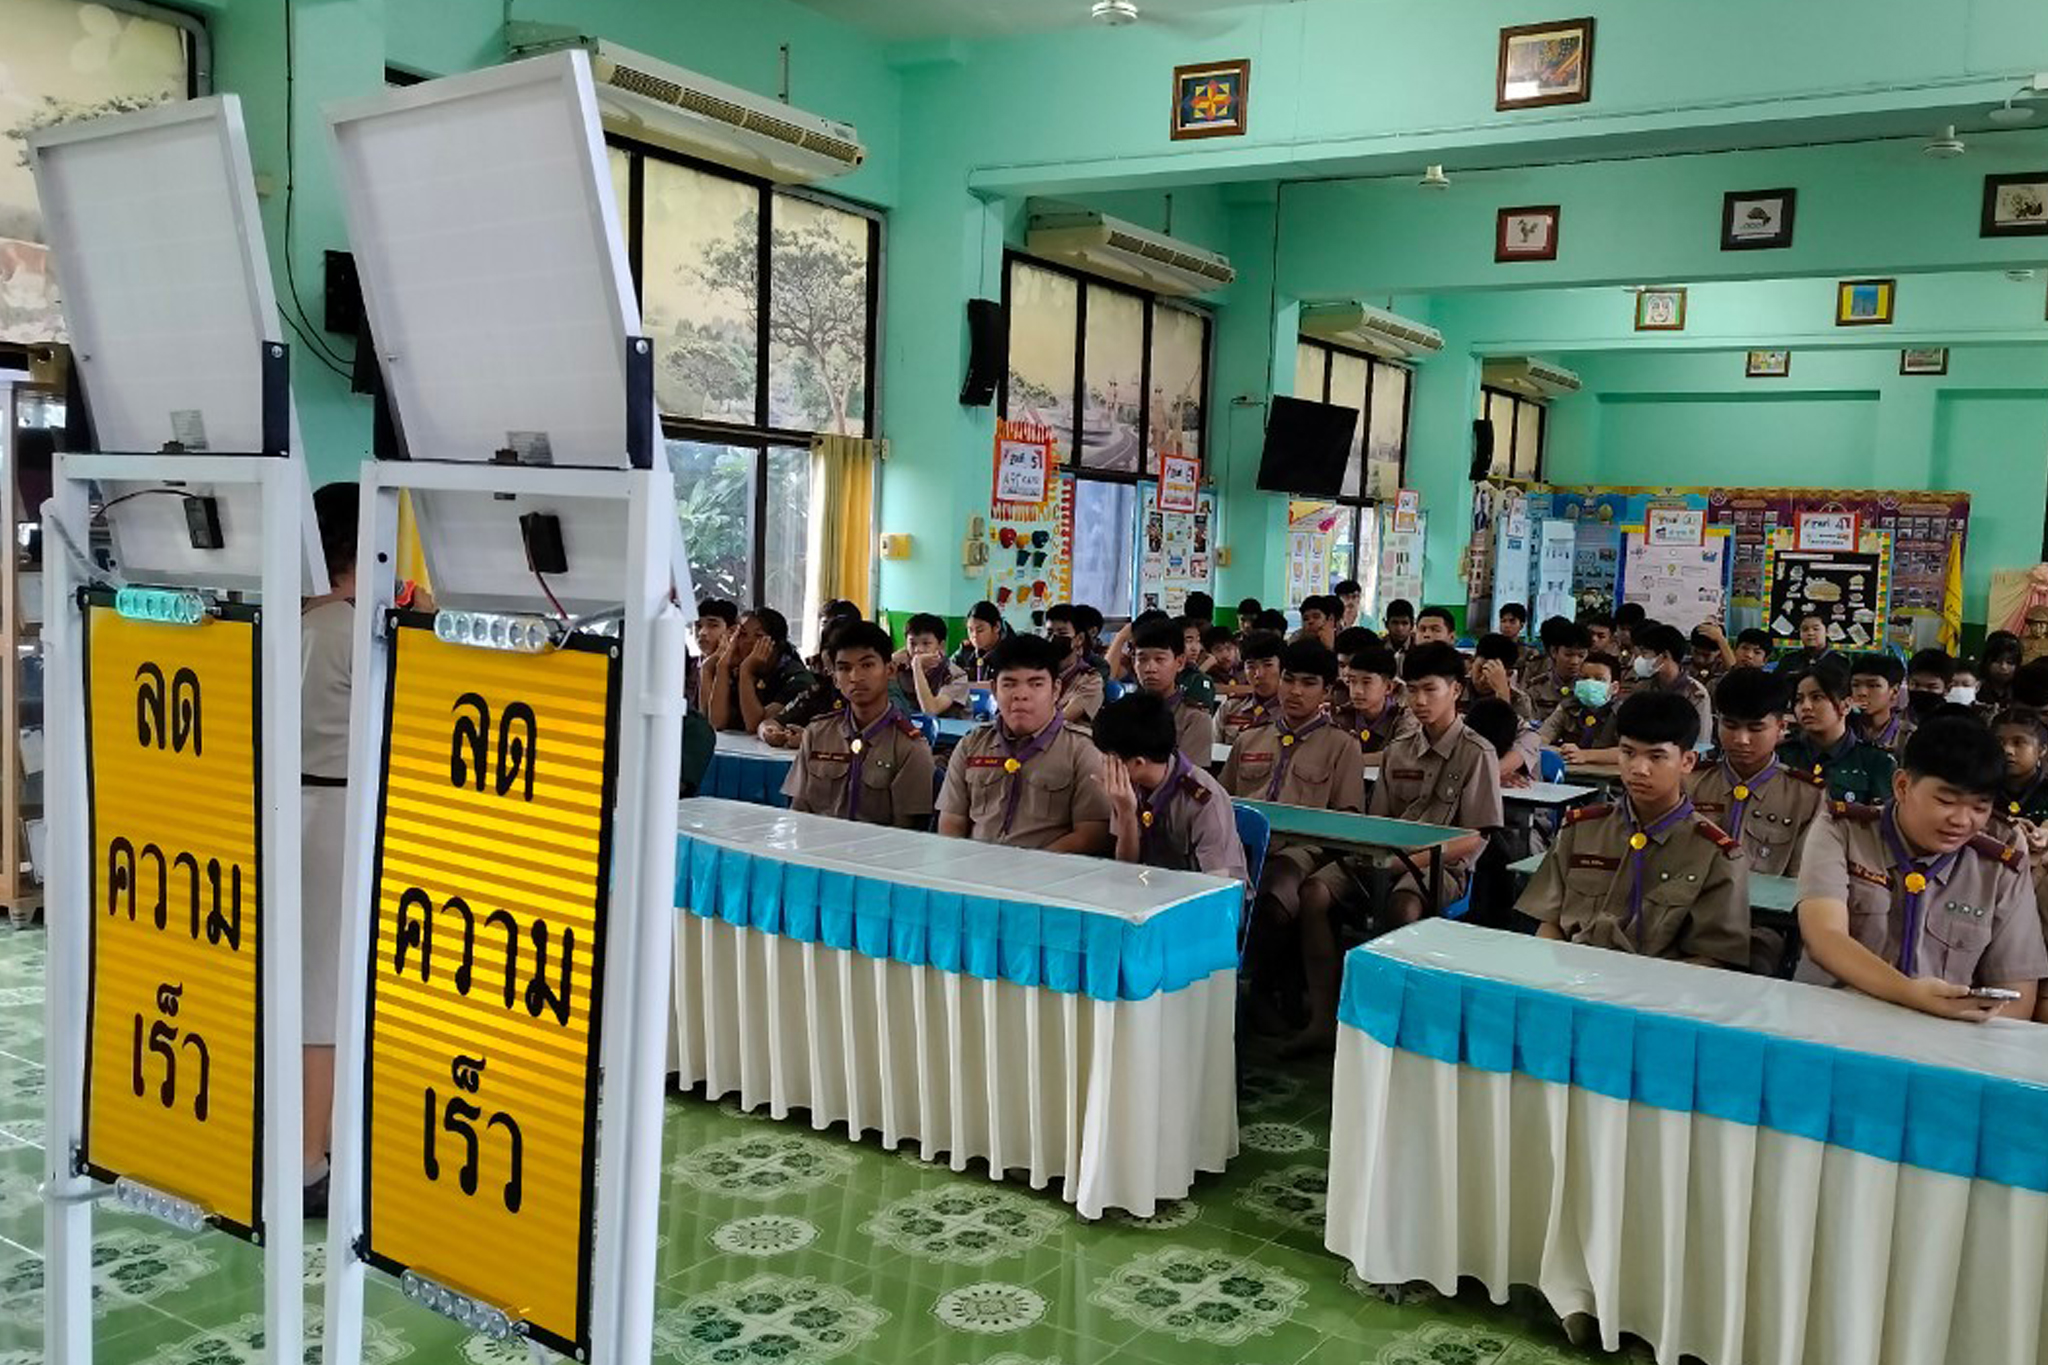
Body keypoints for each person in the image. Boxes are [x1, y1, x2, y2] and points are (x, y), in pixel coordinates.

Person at [1794, 714, 2048, 1020]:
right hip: (1832, 1022)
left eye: (1980, 807)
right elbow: (1824, 937)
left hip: (1946, 1037)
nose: (1962, 820)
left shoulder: (1999, 861)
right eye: (1946, 801)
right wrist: (1912, 995)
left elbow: (2016, 995)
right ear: (1902, 786)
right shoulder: (1843, 830)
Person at [1519, 691, 1750, 967]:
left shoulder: (1715, 853)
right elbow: (1551, 924)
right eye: (1628, 753)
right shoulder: (1580, 829)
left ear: (1687, 762)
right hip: (1573, 982)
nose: (1639, 769)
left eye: (1656, 757)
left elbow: (1712, 959)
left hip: (1658, 994)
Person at [1220, 640, 1366, 1041]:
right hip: (1243, 851)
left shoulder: (1342, 746)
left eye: (1308, 683)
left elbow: (1348, 820)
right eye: (1289, 680)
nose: (1295, 691)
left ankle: (1260, 993)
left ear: (1326, 691)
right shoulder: (1250, 740)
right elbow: (1222, 805)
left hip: (1303, 854)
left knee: (1274, 896)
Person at [298, 482, 360, 1218]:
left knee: (309, 990)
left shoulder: (300, 620)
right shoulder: (348, 628)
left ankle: (310, 1143)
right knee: (324, 1004)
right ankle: (310, 1160)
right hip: (338, 816)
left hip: (297, 806)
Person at [936, 633, 1111, 852]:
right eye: (1009, 684)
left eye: (1036, 684)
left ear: (1056, 690)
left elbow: (1091, 835)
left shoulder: (1083, 750)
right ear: (994, 689)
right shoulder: (971, 745)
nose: (1021, 694)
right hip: (974, 873)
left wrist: (1026, 868)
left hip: (1047, 878)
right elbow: (951, 822)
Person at [785, 622, 937, 827]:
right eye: (844, 668)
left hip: (876, 855)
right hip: (815, 852)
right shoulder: (817, 734)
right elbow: (799, 812)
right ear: (836, 679)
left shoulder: (910, 747)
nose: (855, 677)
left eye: (867, 665)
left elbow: (906, 834)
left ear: (890, 671)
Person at [1092, 693, 1247, 883]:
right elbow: (1126, 870)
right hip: (1151, 892)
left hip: (1203, 897)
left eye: (1107, 758)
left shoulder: (1204, 799)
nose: (1101, 764)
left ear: (1138, 763)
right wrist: (1126, 813)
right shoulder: (1126, 787)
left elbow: (1218, 886)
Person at [1688, 668, 1825, 876]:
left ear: (1781, 727)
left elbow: (1802, 877)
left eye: (1755, 728)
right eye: (1731, 726)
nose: (1741, 739)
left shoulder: (1807, 796)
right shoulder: (1689, 783)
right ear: (1717, 723)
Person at [1780, 658, 1895, 804]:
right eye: (1799, 699)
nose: (1806, 706)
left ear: (1846, 706)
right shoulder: (1782, 755)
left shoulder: (1877, 762)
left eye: (1817, 697)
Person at [704, 607, 814, 734]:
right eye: (743, 634)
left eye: (759, 635)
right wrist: (721, 666)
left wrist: (746, 672)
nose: (748, 641)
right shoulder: (734, 669)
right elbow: (717, 722)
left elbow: (755, 726)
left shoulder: (797, 679)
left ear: (776, 643)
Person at [1130, 618, 1218, 763]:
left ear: (1180, 662)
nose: (1150, 669)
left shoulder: (1194, 718)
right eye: (1142, 659)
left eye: (1160, 659)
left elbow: (1188, 777)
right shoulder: (1122, 713)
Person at [1629, 623, 1714, 741]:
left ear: (1664, 655)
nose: (1641, 659)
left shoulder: (1696, 694)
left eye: (1645, 654)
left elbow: (1701, 741)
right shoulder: (1642, 688)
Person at [1540, 651, 1625, 762]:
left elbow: (1630, 752)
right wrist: (1559, 751)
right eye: (1584, 678)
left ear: (1614, 688)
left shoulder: (1623, 712)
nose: (1590, 683)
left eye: (1599, 679)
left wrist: (1585, 755)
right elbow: (1541, 738)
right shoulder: (1568, 707)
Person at [1331, 645, 1411, 758]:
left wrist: (1348, 759)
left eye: (1366, 682)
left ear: (1388, 687)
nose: (1357, 691)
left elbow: (1401, 756)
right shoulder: (1339, 716)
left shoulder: (1404, 717)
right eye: (1352, 682)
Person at [893, 612, 971, 717]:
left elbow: (930, 711)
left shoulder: (956, 675)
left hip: (951, 731)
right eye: (912, 643)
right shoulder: (899, 666)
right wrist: (889, 661)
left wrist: (917, 666)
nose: (918, 650)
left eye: (926, 644)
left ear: (941, 646)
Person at [1220, 631, 1285, 736]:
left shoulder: (1293, 713)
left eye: (1268, 665)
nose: (1258, 674)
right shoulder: (1230, 710)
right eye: (1251, 666)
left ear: (1282, 668)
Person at [1849, 652, 1913, 755]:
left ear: (1894, 691)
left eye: (1873, 685)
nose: (1862, 693)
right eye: (1855, 685)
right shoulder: (1841, 729)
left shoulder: (1909, 736)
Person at [1526, 620, 1591, 716]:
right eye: (1568, 655)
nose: (1574, 662)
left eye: (1581, 656)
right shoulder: (1536, 688)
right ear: (1554, 652)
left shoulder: (1591, 689)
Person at [1468, 632, 1535, 722]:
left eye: (1491, 674)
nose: (1482, 679)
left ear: (1508, 674)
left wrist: (1503, 696)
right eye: (1480, 670)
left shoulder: (1519, 701)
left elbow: (1519, 734)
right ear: (1472, 662)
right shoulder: (1453, 688)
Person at [687, 597, 739, 710]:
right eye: (698, 626)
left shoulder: (737, 670)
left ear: (732, 631)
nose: (702, 633)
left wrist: (707, 669)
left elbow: (708, 718)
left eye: (713, 625)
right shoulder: (687, 666)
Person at [954, 600, 1007, 682]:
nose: (974, 635)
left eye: (980, 630)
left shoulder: (1011, 654)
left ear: (997, 627)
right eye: (970, 630)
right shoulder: (965, 652)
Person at [1173, 615, 1218, 708]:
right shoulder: (1164, 675)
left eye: (1198, 641)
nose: (1195, 648)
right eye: (1188, 641)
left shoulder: (1200, 679)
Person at [1978, 629, 2023, 712]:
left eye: (2010, 662)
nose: (2003, 667)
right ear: (1987, 662)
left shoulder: (2022, 690)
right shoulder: (1976, 688)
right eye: (1998, 661)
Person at [1905, 647, 1955, 720]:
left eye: (1931, 687)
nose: (1922, 690)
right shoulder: (1895, 720)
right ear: (1907, 681)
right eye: (1916, 685)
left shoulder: (1955, 723)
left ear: (1947, 688)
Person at [1200, 626, 1243, 690]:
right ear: (1208, 653)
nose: (1225, 655)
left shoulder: (1244, 669)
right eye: (1218, 650)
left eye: (1229, 648)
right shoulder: (1207, 674)